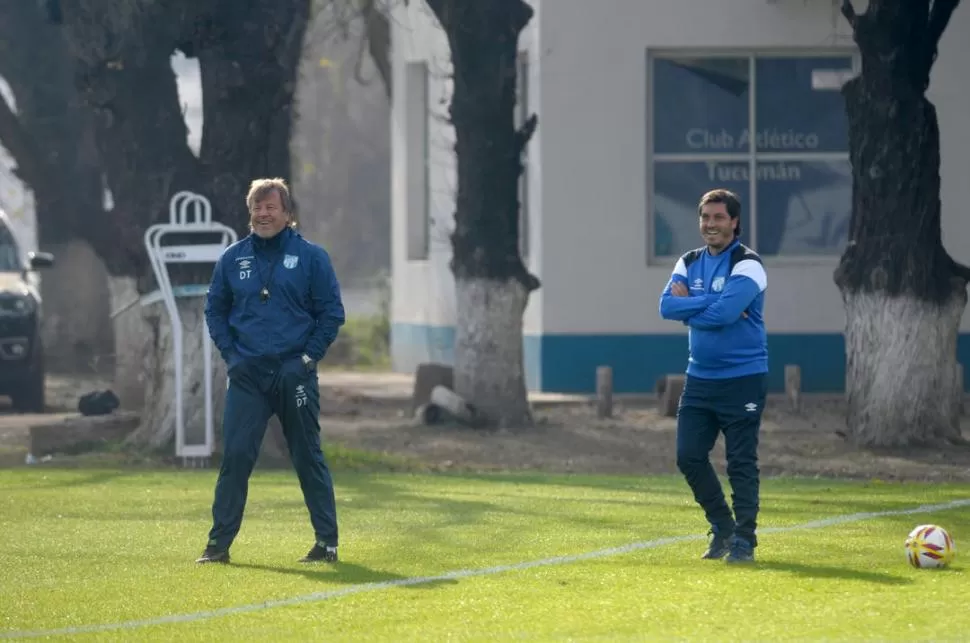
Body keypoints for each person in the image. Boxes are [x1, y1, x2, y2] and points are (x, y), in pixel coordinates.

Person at [196, 177, 345, 565]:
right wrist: (232, 355)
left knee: (306, 454)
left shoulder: (312, 258)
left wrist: (308, 359)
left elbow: (331, 314)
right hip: (248, 376)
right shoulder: (233, 258)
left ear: (287, 213)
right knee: (237, 456)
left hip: (294, 373)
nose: (263, 214)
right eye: (257, 207)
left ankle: (326, 543)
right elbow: (215, 310)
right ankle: (218, 546)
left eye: (271, 207)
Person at [658, 188, 768, 564]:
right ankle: (722, 526)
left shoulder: (748, 264)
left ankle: (744, 541)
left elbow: (720, 317)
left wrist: (693, 306)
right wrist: (713, 303)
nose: (710, 225)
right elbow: (665, 307)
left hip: (743, 378)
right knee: (688, 456)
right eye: (705, 217)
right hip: (699, 379)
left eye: (719, 217)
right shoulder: (688, 261)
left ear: (734, 222)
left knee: (740, 461)